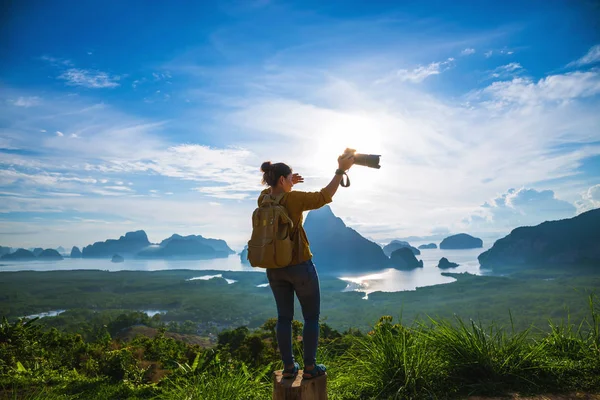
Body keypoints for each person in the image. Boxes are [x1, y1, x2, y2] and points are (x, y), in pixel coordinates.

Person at [257, 151, 354, 380]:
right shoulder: (293, 199)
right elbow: (324, 196)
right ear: (282, 180)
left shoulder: (263, 199)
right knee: (311, 317)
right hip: (299, 266)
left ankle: (289, 367)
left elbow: (270, 189)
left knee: (284, 318)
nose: (292, 182)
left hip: (274, 268)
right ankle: (310, 367)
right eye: (289, 178)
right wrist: (340, 171)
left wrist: (287, 181)